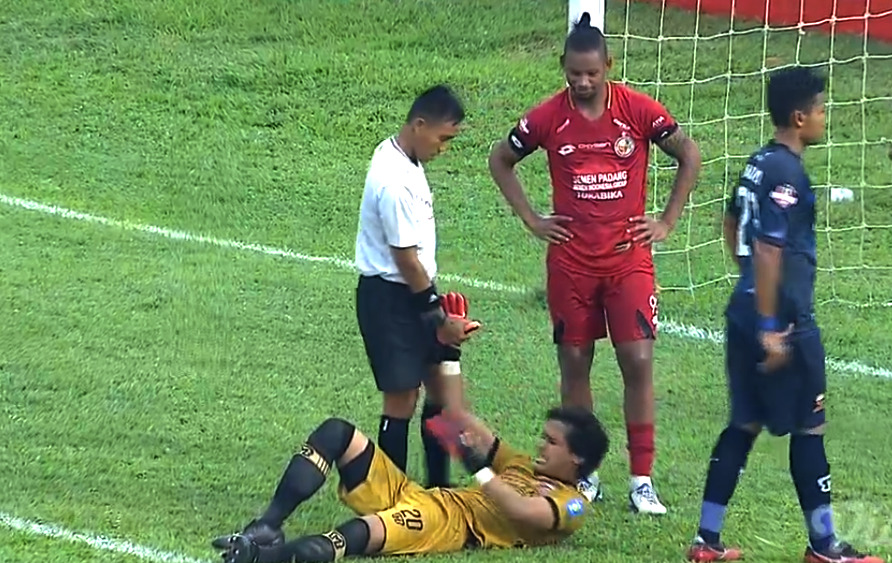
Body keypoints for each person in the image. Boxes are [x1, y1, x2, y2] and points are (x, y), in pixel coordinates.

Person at [487, 12, 702, 513]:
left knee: (639, 360)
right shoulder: (547, 117)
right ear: (562, 67)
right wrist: (532, 219)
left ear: (609, 65)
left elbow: (689, 154)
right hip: (571, 264)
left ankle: (642, 480)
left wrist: (666, 221)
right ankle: (585, 475)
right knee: (575, 362)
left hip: (628, 261)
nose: (582, 82)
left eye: (591, 73)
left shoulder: (638, 110)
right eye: (574, 73)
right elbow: (500, 159)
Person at [684, 67, 884, 563]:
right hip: (786, 322)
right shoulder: (787, 173)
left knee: (743, 424)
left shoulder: (758, 162)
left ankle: (707, 540)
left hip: (743, 310)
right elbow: (769, 248)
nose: (823, 117)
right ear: (799, 117)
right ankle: (825, 546)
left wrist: (750, 284)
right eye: (820, 110)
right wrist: (772, 324)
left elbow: (731, 223)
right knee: (809, 429)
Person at [209, 365, 611, 562]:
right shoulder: (522, 464)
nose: (540, 445)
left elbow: (522, 510)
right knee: (336, 433)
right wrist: (449, 356)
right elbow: (458, 419)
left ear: (577, 457)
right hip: (421, 496)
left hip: (448, 524)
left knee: (357, 534)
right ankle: (267, 526)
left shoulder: (574, 504)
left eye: (551, 442)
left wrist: (480, 468)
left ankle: (259, 557)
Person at [354, 84, 480, 489]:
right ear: (419, 125)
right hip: (390, 299)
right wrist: (438, 316)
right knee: (402, 399)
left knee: (440, 390)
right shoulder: (394, 182)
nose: (443, 148)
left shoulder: (401, 155)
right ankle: (392, 496)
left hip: (413, 291)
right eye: (442, 138)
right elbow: (405, 259)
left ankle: (439, 490)